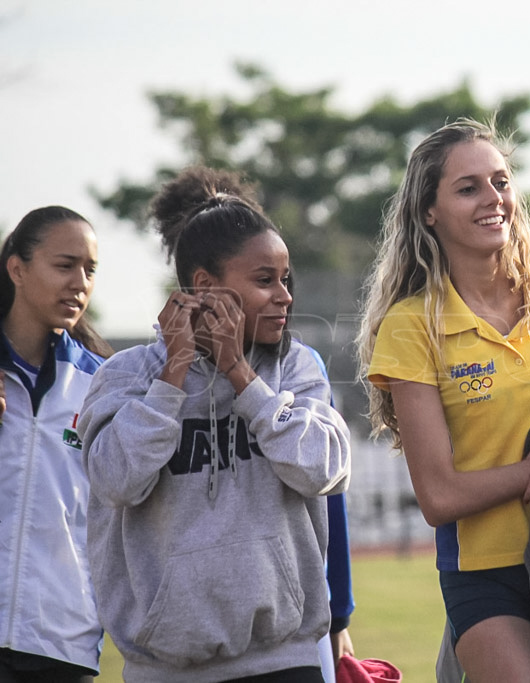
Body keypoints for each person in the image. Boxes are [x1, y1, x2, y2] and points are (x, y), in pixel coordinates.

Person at [357, 119, 530, 682]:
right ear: (429, 211)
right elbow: (440, 496)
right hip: (486, 574)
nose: (493, 199)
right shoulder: (410, 325)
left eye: (500, 182)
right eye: (468, 187)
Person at [80, 166, 351, 682]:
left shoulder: (293, 367)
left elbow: (324, 470)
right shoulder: (126, 376)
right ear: (205, 286)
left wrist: (243, 379)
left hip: (285, 660)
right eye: (264, 280)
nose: (285, 296)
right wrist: (171, 378)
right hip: (164, 669)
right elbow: (115, 480)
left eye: (285, 279)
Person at [0, 206, 112, 682]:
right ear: (18, 269)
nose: (80, 283)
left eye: (89, 270)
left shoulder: (103, 385)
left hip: (61, 645)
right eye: (64, 266)